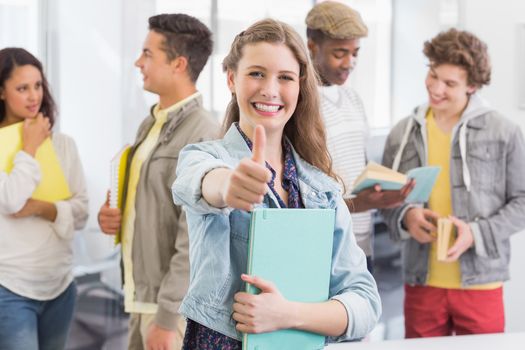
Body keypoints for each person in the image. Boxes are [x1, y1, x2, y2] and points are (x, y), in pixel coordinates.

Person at [172, 19, 381, 349]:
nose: (270, 89)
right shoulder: (205, 157)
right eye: (256, 73)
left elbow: (365, 304)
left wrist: (288, 314)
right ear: (231, 79)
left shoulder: (323, 189)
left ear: (299, 86)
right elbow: (198, 183)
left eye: (284, 77)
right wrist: (229, 187)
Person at [381, 28, 525, 338]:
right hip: (422, 282)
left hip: (481, 282)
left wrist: (476, 233)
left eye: (450, 84)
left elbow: (523, 201)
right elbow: (383, 199)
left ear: (472, 86)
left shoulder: (505, 132)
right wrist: (406, 218)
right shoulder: (402, 133)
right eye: (433, 76)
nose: (436, 89)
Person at [97, 14, 219, 350]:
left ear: (178, 64)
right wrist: (113, 216)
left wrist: (167, 317)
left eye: (148, 54)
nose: (138, 62)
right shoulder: (150, 124)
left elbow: (194, 237)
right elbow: (148, 204)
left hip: (170, 310)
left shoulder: (204, 133)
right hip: (141, 298)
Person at [306, 1, 413, 272]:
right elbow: (302, 188)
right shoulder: (301, 103)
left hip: (361, 239)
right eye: (340, 53)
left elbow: (360, 167)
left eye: (355, 53)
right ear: (311, 47)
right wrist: (356, 203)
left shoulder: (353, 98)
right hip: (325, 243)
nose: (349, 63)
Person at [0, 48, 89, 349]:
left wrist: (43, 208)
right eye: (22, 88)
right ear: (2, 92)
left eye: (37, 86)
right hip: (10, 288)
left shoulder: (64, 145)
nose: (33, 96)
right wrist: (30, 148)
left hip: (60, 284)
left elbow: (81, 213)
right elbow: (11, 200)